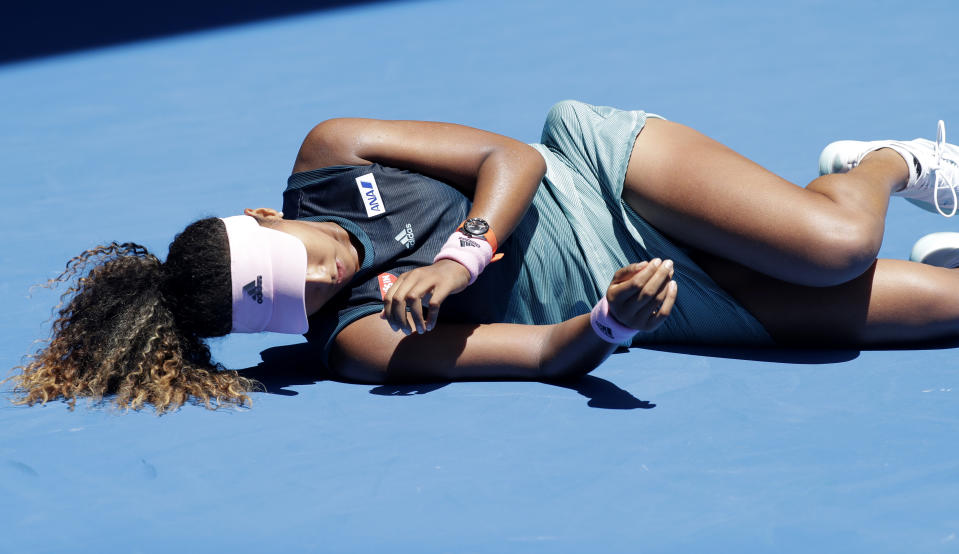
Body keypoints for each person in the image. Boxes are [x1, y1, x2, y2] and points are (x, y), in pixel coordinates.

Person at [7, 100, 959, 413]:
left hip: (604, 175)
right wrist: (613, 323)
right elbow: (546, 355)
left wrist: (462, 260)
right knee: (944, 311)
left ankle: (888, 162)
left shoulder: (333, 151)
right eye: (293, 302)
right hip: (653, 292)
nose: (325, 280)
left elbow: (512, 157)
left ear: (269, 212)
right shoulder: (359, 342)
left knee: (833, 245)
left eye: (298, 259)